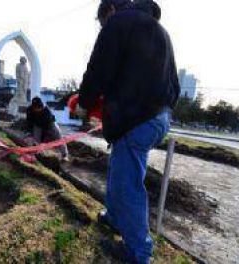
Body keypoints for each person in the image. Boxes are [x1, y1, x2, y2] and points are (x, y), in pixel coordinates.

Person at [78, 0, 180, 263]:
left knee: (128, 184)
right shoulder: (161, 31)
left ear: (109, 10)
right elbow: (174, 85)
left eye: (102, 21)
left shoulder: (117, 23)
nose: (102, 26)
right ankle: (113, 217)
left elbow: (98, 68)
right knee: (120, 168)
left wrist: (84, 103)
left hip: (136, 118)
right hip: (159, 116)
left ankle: (138, 252)